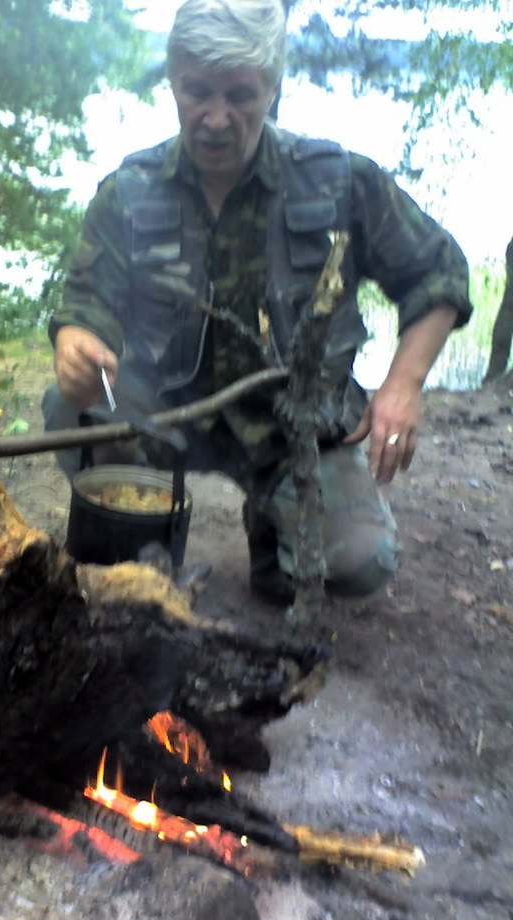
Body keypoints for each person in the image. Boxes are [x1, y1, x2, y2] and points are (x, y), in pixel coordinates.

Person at [42, 0, 472, 602]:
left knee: (356, 563)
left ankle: (274, 535)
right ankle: (141, 540)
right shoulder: (129, 193)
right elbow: (86, 304)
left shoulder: (336, 180)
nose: (217, 118)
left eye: (240, 96)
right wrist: (76, 345)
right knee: (68, 406)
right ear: (172, 83)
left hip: (295, 428)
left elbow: (439, 270)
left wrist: (404, 383)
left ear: (272, 89)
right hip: (165, 419)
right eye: (198, 92)